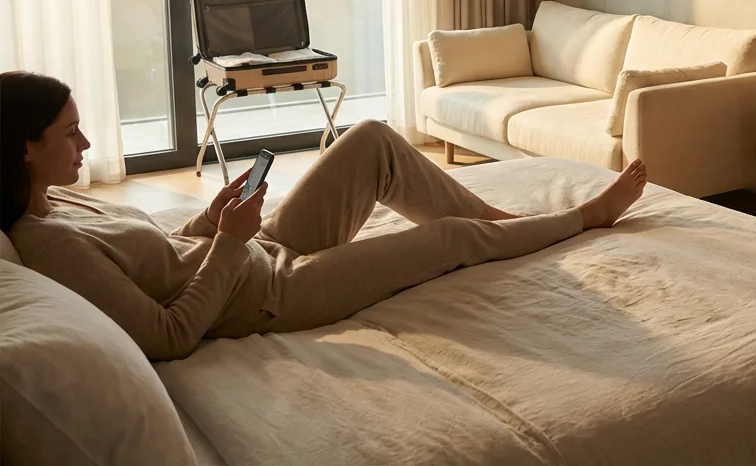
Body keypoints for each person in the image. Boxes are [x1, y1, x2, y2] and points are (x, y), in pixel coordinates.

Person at [1, 70, 648, 361]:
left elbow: (161, 255)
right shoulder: (49, 245)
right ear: (25, 148)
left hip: (256, 251)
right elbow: (166, 336)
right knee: (452, 239)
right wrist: (229, 244)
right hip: (273, 293)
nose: (85, 145)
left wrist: (211, 218)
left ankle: (498, 215)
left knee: (369, 138)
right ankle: (586, 216)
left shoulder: (60, 196)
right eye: (71, 132)